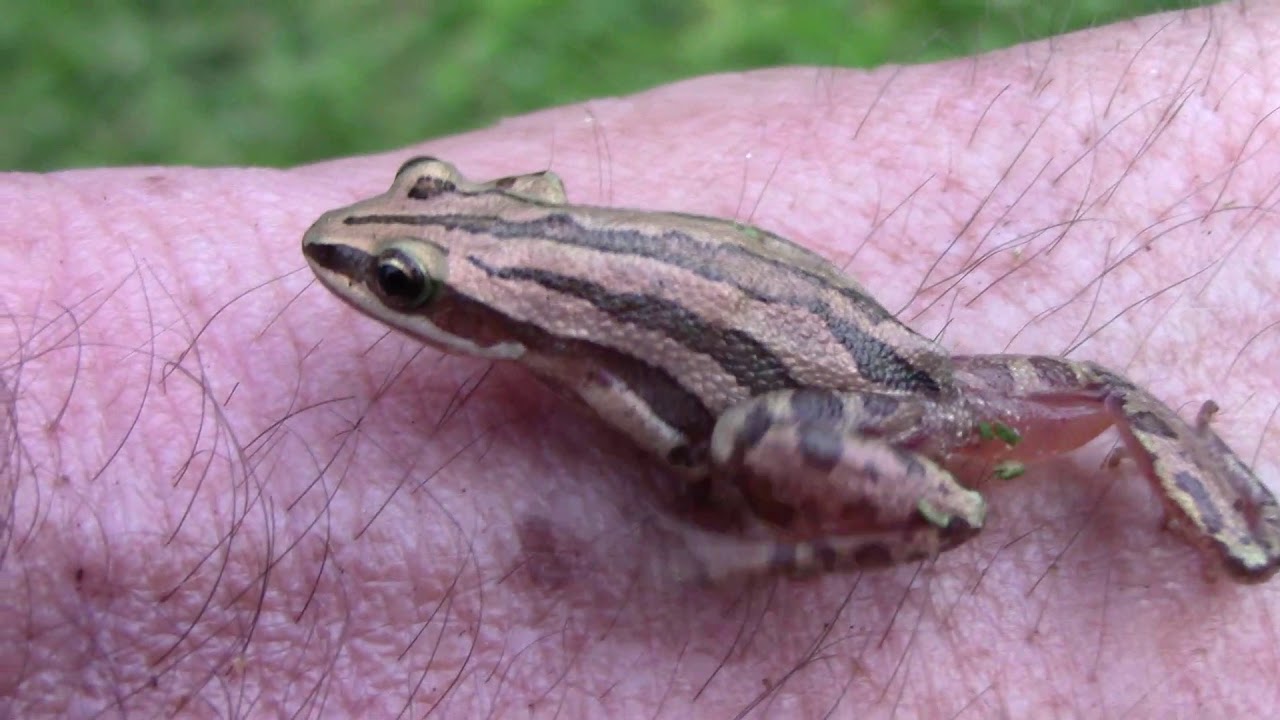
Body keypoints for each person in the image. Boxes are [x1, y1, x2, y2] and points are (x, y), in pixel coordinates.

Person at [4, 4, 1277, 716]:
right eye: (412, 258)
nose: (371, 280)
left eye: (407, 286)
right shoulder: (538, 243)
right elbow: (545, 206)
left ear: (481, 317)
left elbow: (651, 422)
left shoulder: (546, 339)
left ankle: (1003, 516)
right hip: (873, 343)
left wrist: (719, 515)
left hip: (840, 390)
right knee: (1074, 383)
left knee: (707, 462)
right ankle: (1226, 518)